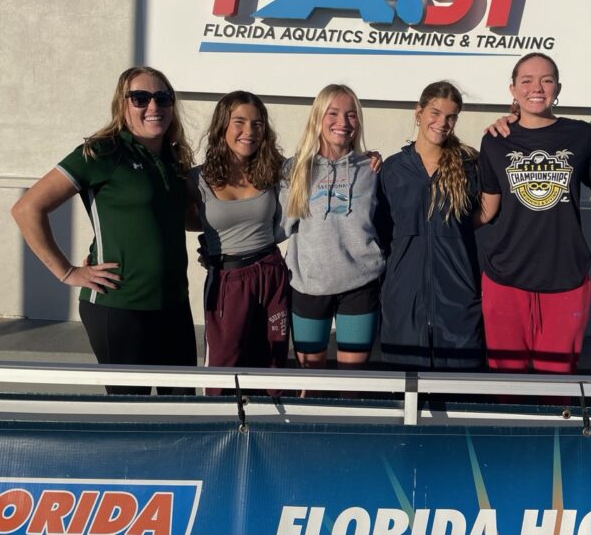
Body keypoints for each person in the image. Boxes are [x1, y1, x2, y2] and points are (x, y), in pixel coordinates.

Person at [11, 66, 197, 395]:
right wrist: (67, 272)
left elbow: (174, 218)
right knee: (129, 410)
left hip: (173, 304)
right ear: (122, 105)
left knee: (183, 406)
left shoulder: (174, 158)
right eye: (140, 98)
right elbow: (27, 209)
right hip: (119, 306)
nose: (153, 107)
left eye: (162, 98)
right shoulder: (102, 152)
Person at [475, 53, 591, 374]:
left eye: (546, 80)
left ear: (558, 88)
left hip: (565, 277)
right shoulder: (494, 140)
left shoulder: (582, 136)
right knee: (506, 379)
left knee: (558, 380)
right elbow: (487, 207)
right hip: (506, 276)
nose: (537, 87)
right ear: (513, 90)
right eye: (526, 80)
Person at [376, 81, 484, 371]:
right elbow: (381, 232)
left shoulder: (469, 167)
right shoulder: (392, 169)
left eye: (451, 116)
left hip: (458, 296)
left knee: (459, 393)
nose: (442, 122)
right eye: (435, 112)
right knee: (405, 391)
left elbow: (481, 219)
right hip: (404, 297)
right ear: (419, 113)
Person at [190, 91, 289, 395]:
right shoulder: (195, 179)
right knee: (223, 365)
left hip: (271, 274)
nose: (250, 131)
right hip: (227, 281)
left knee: (272, 364)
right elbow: (174, 220)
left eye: (257, 124)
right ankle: (220, 433)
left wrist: (367, 160)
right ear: (222, 126)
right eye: (240, 122)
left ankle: (272, 430)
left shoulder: (275, 170)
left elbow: (322, 165)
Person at [280, 84, 385, 371]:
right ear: (317, 117)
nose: (343, 122)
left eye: (351, 115)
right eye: (334, 113)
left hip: (359, 286)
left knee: (352, 382)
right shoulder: (295, 170)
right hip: (310, 285)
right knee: (311, 381)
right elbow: (279, 226)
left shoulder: (371, 169)